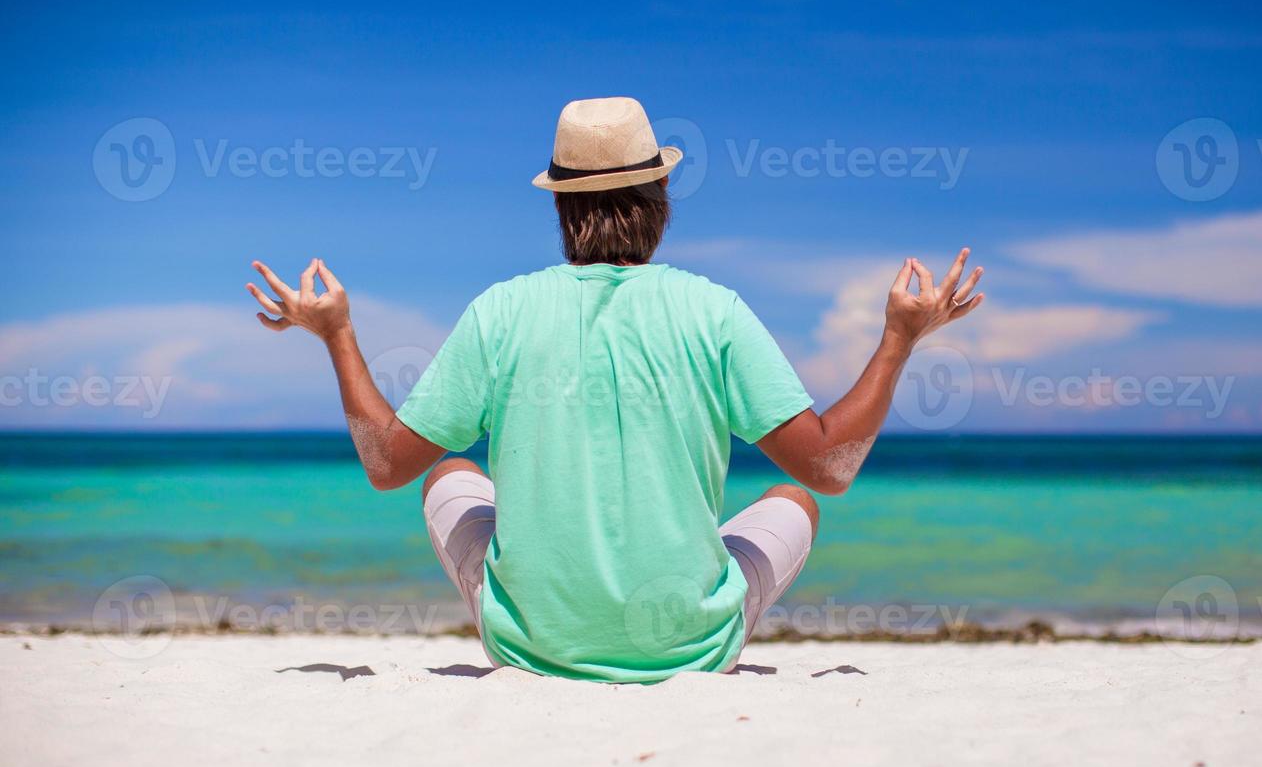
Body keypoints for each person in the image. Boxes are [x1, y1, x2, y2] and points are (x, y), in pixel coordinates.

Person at [246, 96, 983, 682]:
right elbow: (830, 467)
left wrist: (338, 334)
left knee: (450, 470)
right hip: (691, 653)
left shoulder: (501, 310)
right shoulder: (714, 310)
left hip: (531, 651)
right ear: (661, 195)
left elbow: (386, 466)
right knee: (791, 498)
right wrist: (899, 338)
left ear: (561, 204)